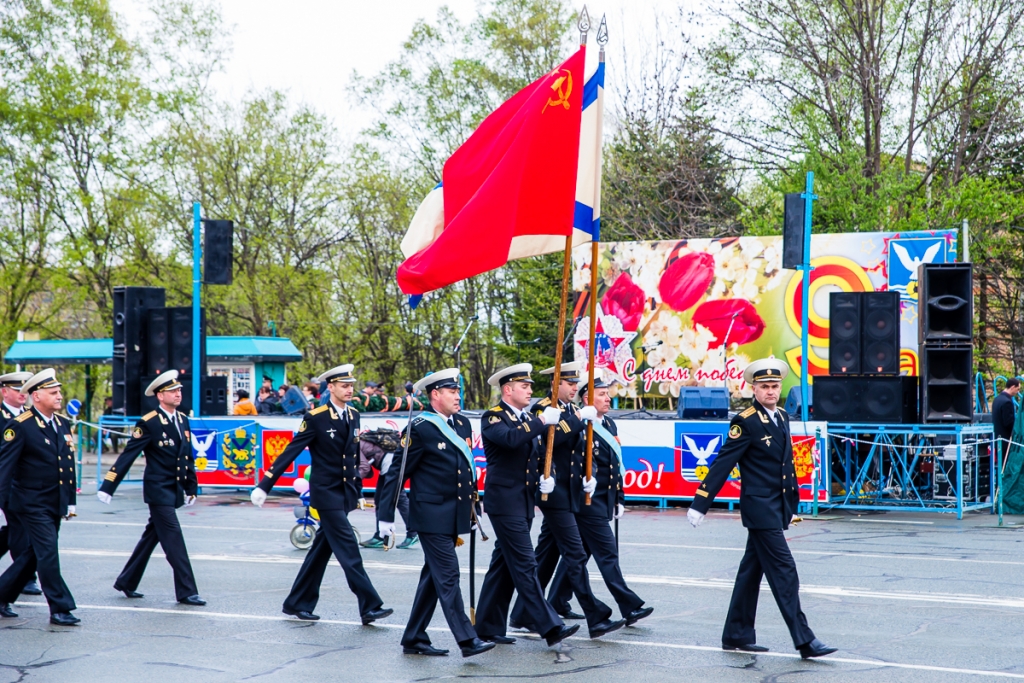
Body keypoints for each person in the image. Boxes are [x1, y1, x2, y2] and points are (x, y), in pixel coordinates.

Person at [687, 358, 836, 659]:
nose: (771, 391)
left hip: (773, 507)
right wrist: (700, 503)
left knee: (750, 573)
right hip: (759, 509)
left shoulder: (781, 415)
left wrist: (789, 507)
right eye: (765, 386)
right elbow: (722, 463)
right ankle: (805, 640)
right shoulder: (746, 422)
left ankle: (736, 634)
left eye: (775, 386)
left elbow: (785, 467)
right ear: (753, 389)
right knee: (785, 572)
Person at [250, 364, 393, 625]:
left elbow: (351, 456)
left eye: (351, 385)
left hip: (344, 494)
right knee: (349, 548)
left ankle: (297, 603)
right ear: (331, 388)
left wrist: (357, 491)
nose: (350, 390)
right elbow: (291, 451)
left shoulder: (353, 414)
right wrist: (264, 485)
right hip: (326, 494)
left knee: (319, 553)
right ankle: (370, 605)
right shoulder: (316, 417)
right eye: (344, 385)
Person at [376, 368, 495, 658]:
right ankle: (467, 639)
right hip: (430, 515)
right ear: (435, 395)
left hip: (453, 515)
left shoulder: (462, 424)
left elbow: (465, 471)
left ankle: (414, 636)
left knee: (433, 578)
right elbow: (397, 473)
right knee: (448, 574)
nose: (458, 396)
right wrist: (386, 516)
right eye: (451, 392)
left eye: (457, 391)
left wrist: (473, 506)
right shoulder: (419, 427)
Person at [508, 362, 625, 639]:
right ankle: (596, 617)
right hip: (554, 493)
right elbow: (551, 439)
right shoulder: (544, 409)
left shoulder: (573, 409)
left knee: (545, 558)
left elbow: (585, 451)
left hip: (571, 492)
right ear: (555, 384)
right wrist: (576, 420)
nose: (574, 388)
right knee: (575, 554)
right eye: (569, 384)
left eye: (576, 384)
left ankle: (523, 614)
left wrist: (591, 476)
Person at [473, 363, 578, 648]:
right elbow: (510, 440)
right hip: (504, 503)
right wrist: (542, 422)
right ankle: (549, 625)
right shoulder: (494, 417)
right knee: (525, 563)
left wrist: (549, 478)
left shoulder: (526, 418)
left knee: (503, 566)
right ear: (507, 390)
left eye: (530, 386)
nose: (530, 391)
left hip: (524, 502)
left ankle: (487, 627)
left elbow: (542, 454)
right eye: (524, 386)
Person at [546, 374, 652, 627]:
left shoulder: (609, 425)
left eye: (608, 393)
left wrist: (619, 497)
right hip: (587, 500)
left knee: (580, 555)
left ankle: (556, 601)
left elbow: (616, 465)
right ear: (587, 399)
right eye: (602, 394)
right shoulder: (581, 423)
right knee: (607, 553)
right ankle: (629, 606)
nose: (608, 398)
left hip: (605, 498)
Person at [97, 371, 205, 606]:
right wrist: (109, 485)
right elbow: (128, 455)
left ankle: (127, 581)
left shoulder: (183, 419)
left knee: (150, 538)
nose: (178, 394)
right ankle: (187, 590)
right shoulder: (149, 422)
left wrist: (192, 487)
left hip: (173, 489)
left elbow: (187, 457)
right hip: (158, 491)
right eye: (172, 391)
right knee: (174, 539)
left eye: (179, 390)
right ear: (159, 395)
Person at [0, 369, 79, 625]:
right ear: (37, 396)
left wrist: (70, 501)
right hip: (30, 502)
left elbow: (67, 465)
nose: (59, 396)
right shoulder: (20, 425)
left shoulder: (62, 423)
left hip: (54, 501)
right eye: (53, 393)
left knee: (34, 553)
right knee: (47, 552)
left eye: (59, 392)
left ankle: (2, 594)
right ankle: (60, 607)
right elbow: (5, 467)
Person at [0, 371, 42, 598]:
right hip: (7, 481)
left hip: (27, 483)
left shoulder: (30, 416)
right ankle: (26, 577)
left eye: (24, 391)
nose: (21, 395)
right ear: (4, 391)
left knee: (16, 530)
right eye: (17, 390)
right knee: (20, 529)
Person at [992, 378, 1020, 460]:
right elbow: (1008, 422)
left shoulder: (997, 399)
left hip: (997, 438)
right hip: (1006, 439)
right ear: (1012, 387)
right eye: (1017, 389)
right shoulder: (1007, 402)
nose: (1017, 392)